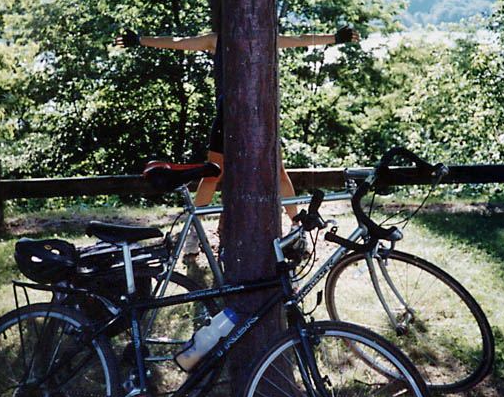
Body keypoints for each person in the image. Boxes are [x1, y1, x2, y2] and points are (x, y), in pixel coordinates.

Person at [116, 27, 359, 254]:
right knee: (212, 172)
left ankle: (296, 228)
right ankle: (194, 230)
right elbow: (179, 43)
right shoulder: (218, 39)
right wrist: (139, 40)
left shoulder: (265, 37)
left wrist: (335, 38)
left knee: (278, 172)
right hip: (229, 113)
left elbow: (298, 40)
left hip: (261, 111)